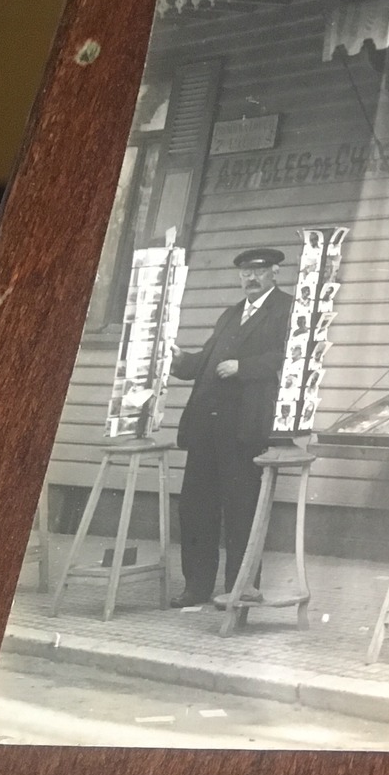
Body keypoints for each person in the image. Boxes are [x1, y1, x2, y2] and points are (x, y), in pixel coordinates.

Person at [168, 247, 293, 609]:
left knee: (241, 510)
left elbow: (290, 358)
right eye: (245, 273)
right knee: (196, 507)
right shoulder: (231, 314)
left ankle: (240, 591)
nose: (251, 279)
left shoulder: (287, 310)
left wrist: (244, 367)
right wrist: (181, 362)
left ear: (275, 273)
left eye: (259, 271)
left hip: (245, 428)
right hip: (206, 427)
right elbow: (207, 361)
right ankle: (197, 587)